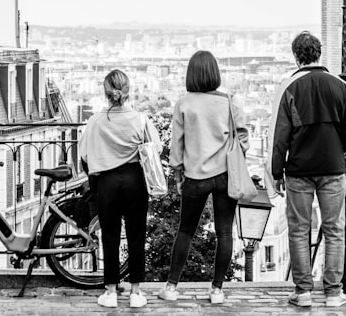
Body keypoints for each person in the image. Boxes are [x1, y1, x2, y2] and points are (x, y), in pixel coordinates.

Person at [271, 31, 346, 309]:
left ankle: (303, 291)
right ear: (319, 53)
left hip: (299, 168)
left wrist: (276, 173)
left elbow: (280, 137)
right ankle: (334, 292)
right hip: (333, 167)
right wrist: (339, 146)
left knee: (299, 230)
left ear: (296, 56)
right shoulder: (339, 86)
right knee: (335, 228)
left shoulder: (289, 88)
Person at [159, 50, 247, 306]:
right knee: (224, 233)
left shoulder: (184, 104)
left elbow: (177, 146)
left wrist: (177, 172)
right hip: (224, 174)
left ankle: (172, 286)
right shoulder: (230, 102)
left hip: (195, 176)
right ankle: (217, 289)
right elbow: (243, 140)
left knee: (185, 231)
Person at [78, 69, 161, 309]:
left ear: (106, 93)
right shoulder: (140, 119)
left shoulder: (95, 120)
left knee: (110, 236)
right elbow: (154, 147)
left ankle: (111, 291)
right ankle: (136, 291)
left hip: (107, 182)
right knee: (136, 235)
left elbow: (84, 155)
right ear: (128, 91)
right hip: (135, 180)